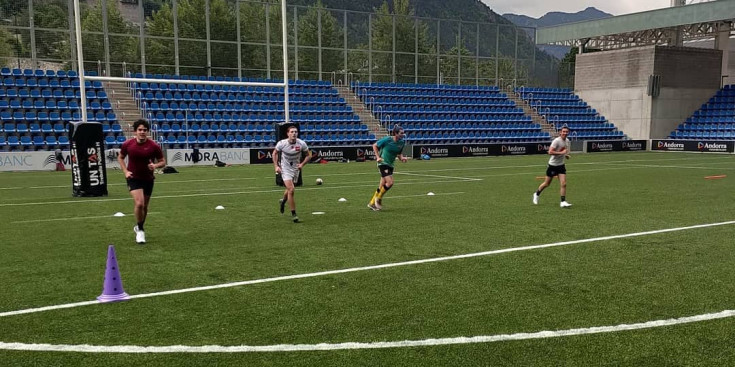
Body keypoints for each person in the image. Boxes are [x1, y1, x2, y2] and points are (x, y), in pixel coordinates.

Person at [118, 119, 166, 244]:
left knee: (144, 206)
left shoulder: (153, 146)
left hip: (148, 179)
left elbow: (162, 161)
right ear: (135, 131)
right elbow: (121, 157)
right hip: (133, 178)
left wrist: (155, 166)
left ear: (147, 132)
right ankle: (140, 230)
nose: (142, 132)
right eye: (140, 130)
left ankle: (139, 225)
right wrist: (125, 171)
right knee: (139, 203)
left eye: (145, 130)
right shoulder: (128, 144)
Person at [273, 126, 311, 223]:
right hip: (285, 168)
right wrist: (276, 166)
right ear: (288, 134)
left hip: (295, 168)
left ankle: (283, 201)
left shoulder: (301, 143)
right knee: (291, 189)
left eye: (296, 132)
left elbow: (308, 155)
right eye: (292, 132)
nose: (294, 133)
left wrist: (302, 164)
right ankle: (294, 214)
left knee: (289, 189)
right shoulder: (282, 143)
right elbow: (275, 153)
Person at [368, 125, 408, 211]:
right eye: (401, 133)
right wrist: (378, 157)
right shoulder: (387, 139)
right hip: (383, 163)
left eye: (403, 133)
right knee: (390, 182)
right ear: (395, 133)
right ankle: (378, 199)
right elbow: (374, 146)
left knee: (381, 185)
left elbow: (399, 154)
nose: (402, 135)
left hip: (390, 164)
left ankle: (372, 203)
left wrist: (402, 158)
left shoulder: (402, 143)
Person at [533, 126, 572, 208]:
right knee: (547, 184)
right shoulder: (556, 141)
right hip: (552, 165)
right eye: (563, 131)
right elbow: (550, 152)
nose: (565, 133)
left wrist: (566, 155)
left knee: (564, 184)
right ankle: (536, 194)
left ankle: (563, 202)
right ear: (560, 132)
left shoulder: (567, 141)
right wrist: (562, 153)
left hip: (561, 165)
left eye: (566, 132)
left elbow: (565, 152)